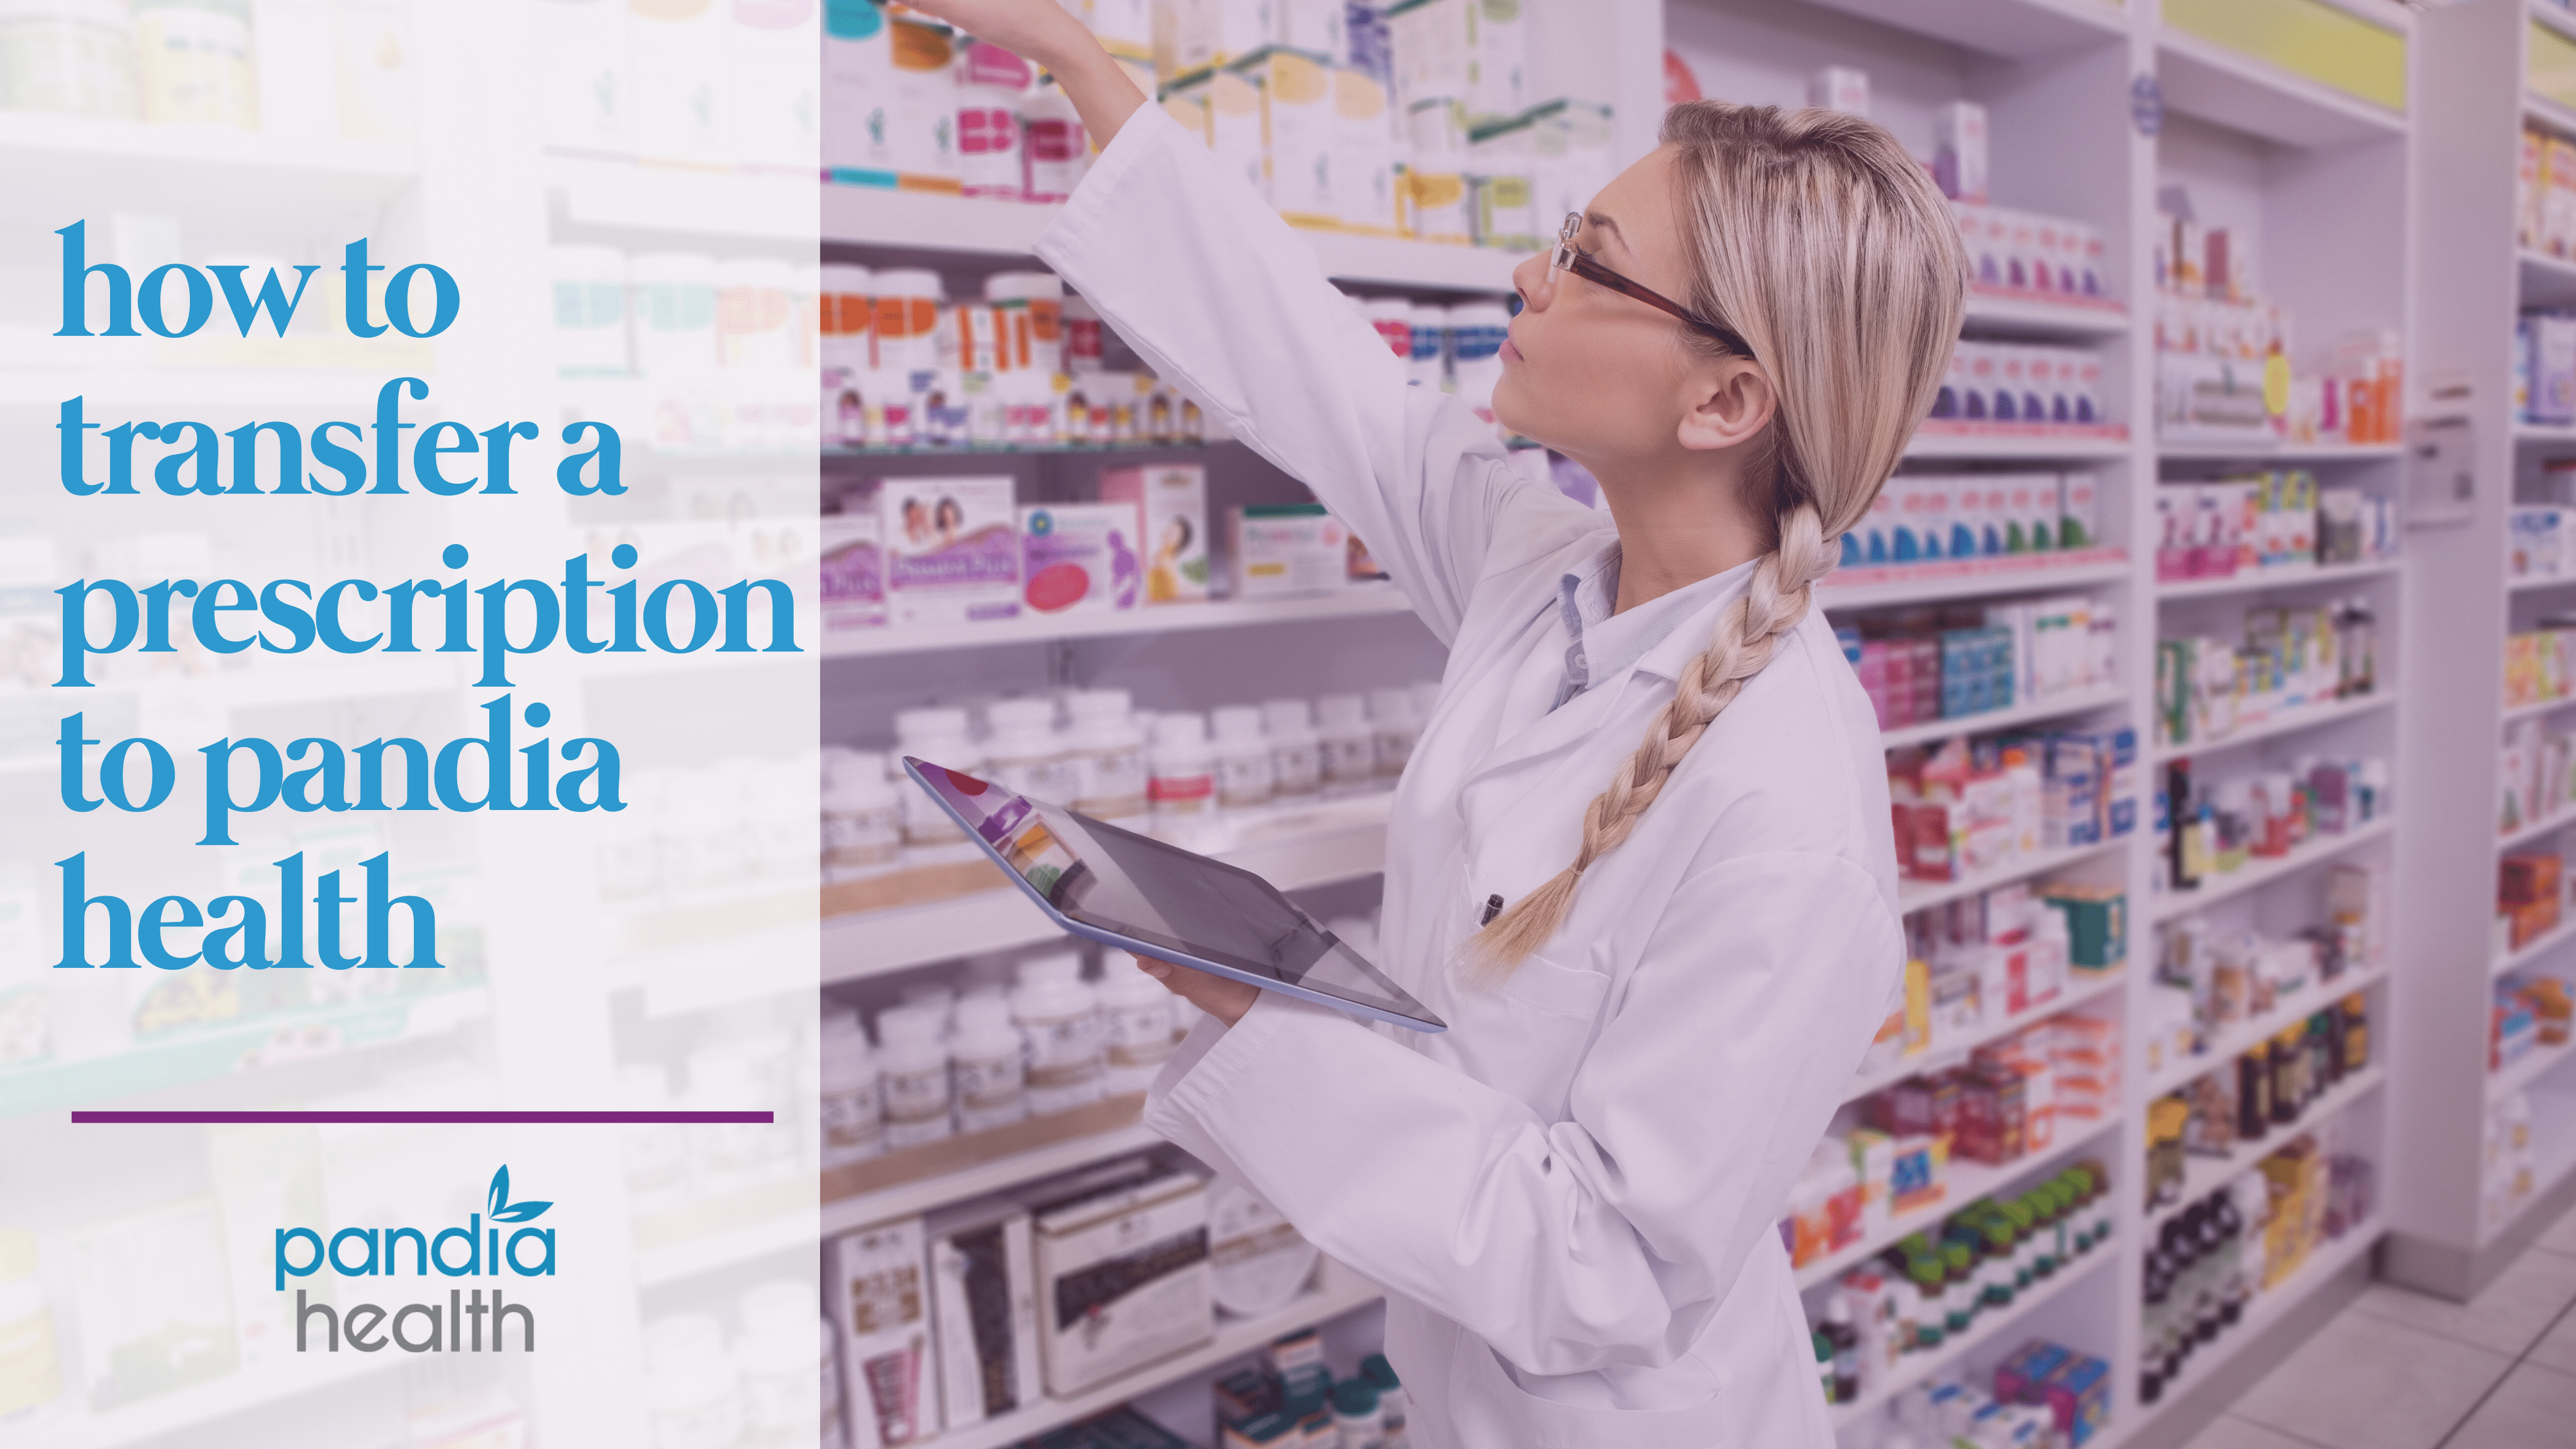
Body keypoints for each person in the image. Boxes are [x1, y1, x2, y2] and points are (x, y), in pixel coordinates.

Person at [904, 5, 1965, 1444]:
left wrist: (1257, 1010)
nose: (1532, 274)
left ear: (1723, 398)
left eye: (1589, 262)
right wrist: (1084, 66)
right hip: (1463, 1389)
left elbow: (1603, 1267)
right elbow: (1332, 388)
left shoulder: (1785, 812)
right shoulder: (1547, 570)